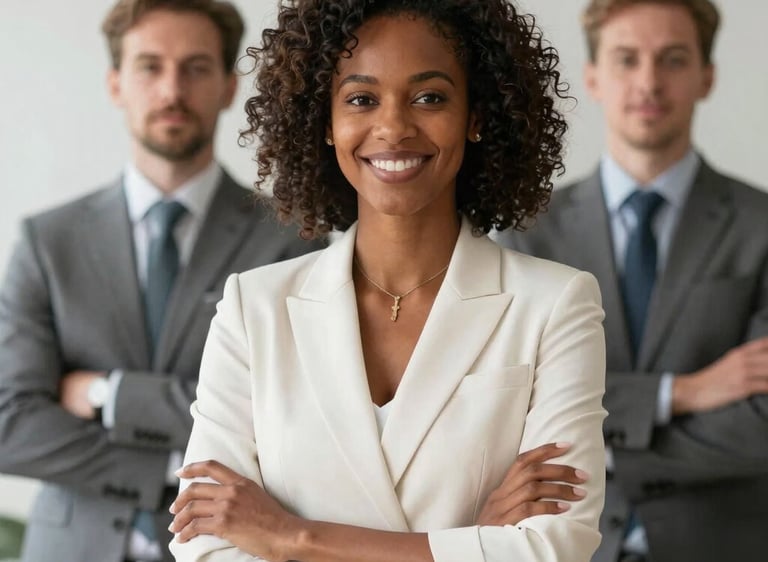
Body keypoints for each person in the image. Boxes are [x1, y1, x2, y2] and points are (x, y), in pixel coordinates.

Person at [167, 1, 608, 561]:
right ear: (324, 123)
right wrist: (471, 541)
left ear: (476, 116)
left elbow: (552, 549)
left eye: (429, 97)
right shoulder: (253, 307)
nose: (394, 127)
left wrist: (292, 537)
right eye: (361, 99)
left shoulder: (555, 304)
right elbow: (205, 547)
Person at [0, 0, 322, 561]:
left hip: (230, 551)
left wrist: (107, 394)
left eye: (195, 67)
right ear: (115, 83)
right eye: (150, 66)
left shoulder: (291, 240)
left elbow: (283, 417)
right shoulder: (47, 242)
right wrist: (170, 471)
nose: (172, 90)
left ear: (227, 86)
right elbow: (10, 425)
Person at [496, 1, 768, 561]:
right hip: (563, 549)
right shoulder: (527, 233)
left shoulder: (761, 225)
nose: (648, 81)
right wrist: (681, 393)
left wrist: (604, 450)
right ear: (593, 76)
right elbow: (513, 407)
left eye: (672, 60)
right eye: (627, 59)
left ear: (707, 77)